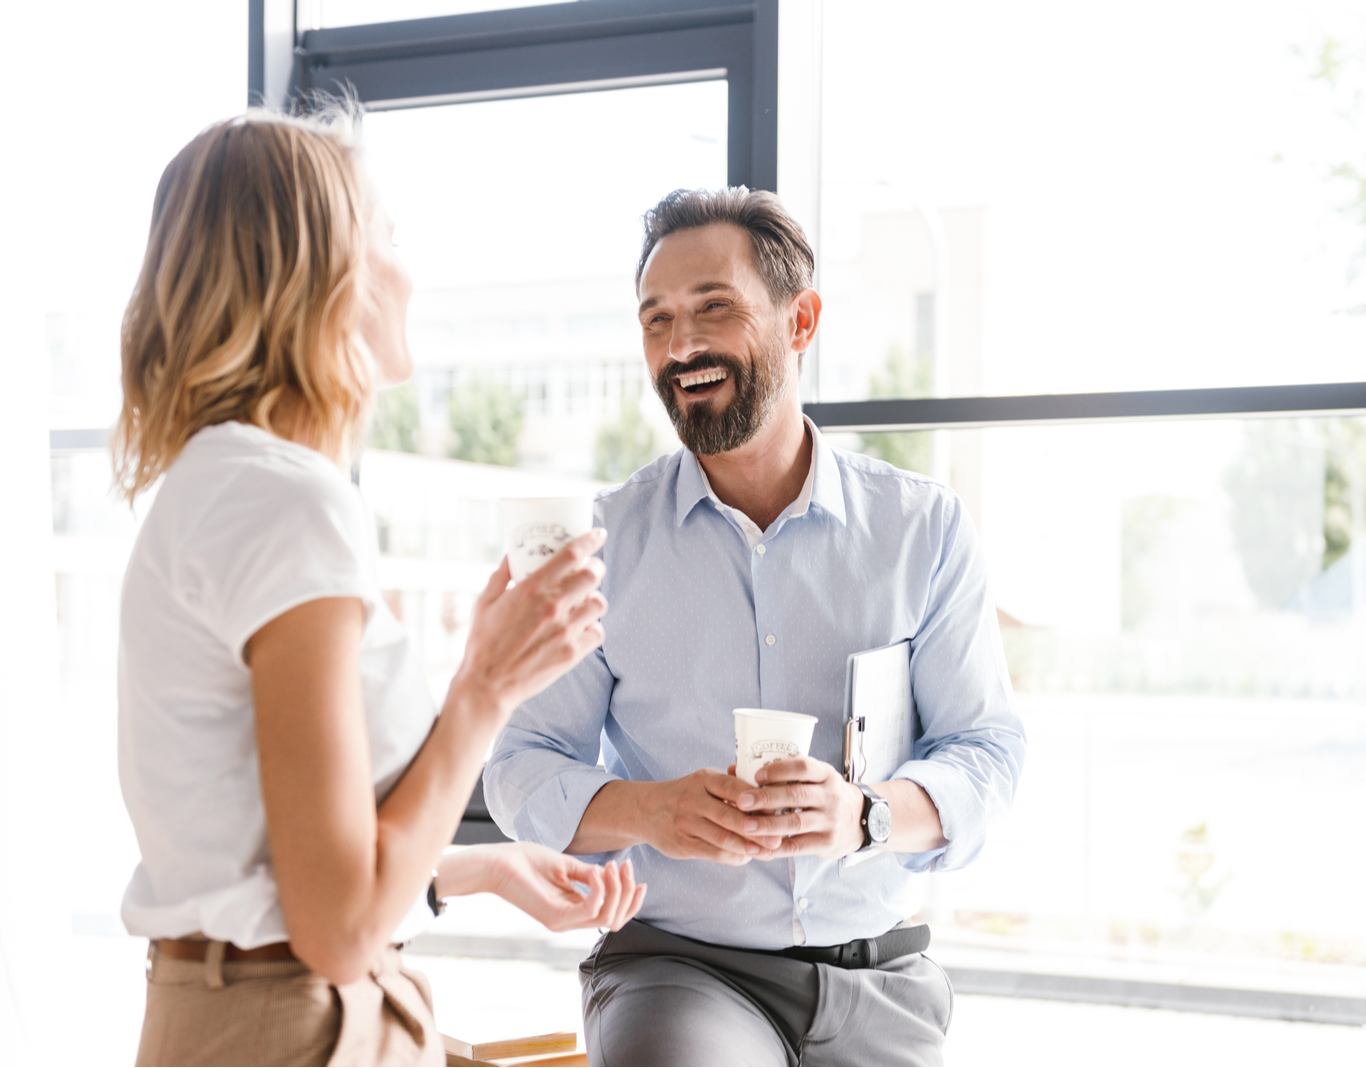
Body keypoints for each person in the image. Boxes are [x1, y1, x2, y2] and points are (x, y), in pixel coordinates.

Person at [113, 109, 644, 1068]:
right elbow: (338, 930)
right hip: (289, 1029)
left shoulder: (220, 484)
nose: (409, 270)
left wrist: (482, 869)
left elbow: (289, 871)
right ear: (324, 275)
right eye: (389, 237)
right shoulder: (285, 503)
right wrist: (485, 689)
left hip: (231, 1017)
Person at [485, 187, 1026, 1067]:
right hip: (678, 969)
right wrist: (650, 811)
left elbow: (986, 751)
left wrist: (866, 816)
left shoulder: (921, 529)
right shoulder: (604, 543)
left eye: (713, 310)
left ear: (801, 319)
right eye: (655, 320)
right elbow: (519, 768)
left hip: (877, 978)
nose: (680, 346)